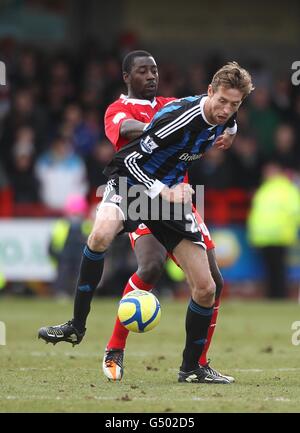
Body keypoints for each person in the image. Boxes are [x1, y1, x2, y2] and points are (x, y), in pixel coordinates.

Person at [39, 59, 254, 384]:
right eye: (221, 101)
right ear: (209, 91)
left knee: (207, 287)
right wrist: (164, 192)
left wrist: (232, 133)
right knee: (99, 237)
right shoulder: (178, 119)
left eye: (233, 104)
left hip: (170, 200)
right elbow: (127, 161)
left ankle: (192, 368)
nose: (226, 109)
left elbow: (231, 121)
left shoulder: (228, 115)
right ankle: (76, 325)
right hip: (133, 186)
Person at [247, 161, 300, 298]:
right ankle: (274, 296)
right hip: (266, 237)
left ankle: (279, 296)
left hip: (279, 236)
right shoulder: (268, 188)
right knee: (272, 270)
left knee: (277, 269)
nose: (266, 174)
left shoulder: (284, 188)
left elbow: (295, 210)